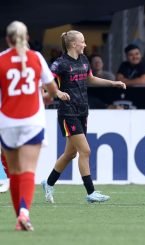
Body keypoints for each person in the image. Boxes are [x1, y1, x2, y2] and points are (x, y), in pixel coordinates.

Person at [41, 30, 126, 204]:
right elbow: (45, 84)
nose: (85, 45)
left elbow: (90, 79)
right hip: (67, 112)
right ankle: (91, 192)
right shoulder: (60, 64)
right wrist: (58, 92)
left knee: (70, 154)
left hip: (82, 111)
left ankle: (48, 182)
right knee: (85, 150)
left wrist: (112, 83)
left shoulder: (84, 60)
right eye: (83, 42)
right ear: (73, 44)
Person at [0, 21, 58, 231]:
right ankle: (24, 213)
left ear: (7, 38)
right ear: (27, 37)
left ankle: (20, 218)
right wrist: (46, 98)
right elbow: (52, 89)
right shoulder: (36, 58)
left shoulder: (1, 60)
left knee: (14, 172)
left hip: (7, 121)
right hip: (32, 120)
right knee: (28, 171)